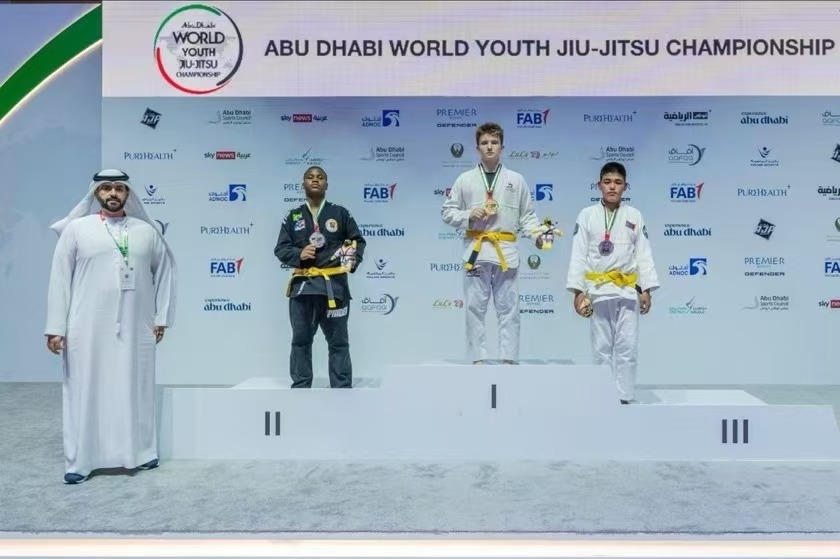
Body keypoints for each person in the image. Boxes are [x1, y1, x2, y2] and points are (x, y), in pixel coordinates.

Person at [44, 169, 177, 484]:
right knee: (85, 388)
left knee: (135, 387)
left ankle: (140, 452)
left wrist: (160, 318)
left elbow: (165, 273)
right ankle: (81, 460)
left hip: (137, 325)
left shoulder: (146, 232)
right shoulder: (77, 230)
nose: (113, 193)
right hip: (85, 325)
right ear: (96, 193)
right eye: (106, 188)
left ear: (128, 193)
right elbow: (59, 278)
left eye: (119, 188)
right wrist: (56, 327)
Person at [441, 122, 553, 365]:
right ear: (477, 148)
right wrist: (469, 214)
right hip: (477, 251)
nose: (489, 147)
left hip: (506, 253)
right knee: (474, 308)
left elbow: (527, 216)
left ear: (502, 147)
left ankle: (508, 359)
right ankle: (477, 360)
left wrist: (538, 236)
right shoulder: (465, 179)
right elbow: (447, 212)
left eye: (494, 142)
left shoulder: (516, 180)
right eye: (484, 143)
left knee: (509, 309)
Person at [566, 162, 659, 404]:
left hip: (627, 290)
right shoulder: (587, 215)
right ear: (599, 185)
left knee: (628, 347)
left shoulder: (634, 215)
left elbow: (643, 254)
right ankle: (603, 395)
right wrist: (578, 291)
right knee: (601, 347)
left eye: (618, 183)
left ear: (625, 186)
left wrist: (646, 289)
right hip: (598, 291)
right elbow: (578, 255)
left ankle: (624, 396)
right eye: (607, 182)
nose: (612, 187)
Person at [274, 166, 366, 388]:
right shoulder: (293, 216)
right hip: (303, 289)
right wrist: (298, 254)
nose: (315, 180)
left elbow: (358, 241)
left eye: (320, 177)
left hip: (334, 288)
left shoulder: (341, 213)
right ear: (303, 184)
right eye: (310, 177)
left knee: (339, 343)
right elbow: (281, 248)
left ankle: (342, 391)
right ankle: (301, 389)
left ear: (327, 184)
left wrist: (350, 259)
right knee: (300, 342)